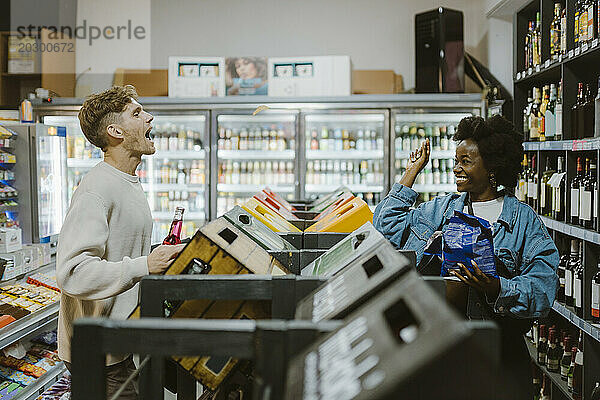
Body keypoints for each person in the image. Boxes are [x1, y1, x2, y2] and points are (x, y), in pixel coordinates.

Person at [373, 115, 559, 397]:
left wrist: (498, 287)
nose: (456, 169)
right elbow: (385, 226)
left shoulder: (523, 221)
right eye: (455, 160)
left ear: (492, 167)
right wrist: (412, 171)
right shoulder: (444, 209)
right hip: (446, 348)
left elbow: (545, 286)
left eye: (466, 162)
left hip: (500, 356)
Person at [56, 85, 185, 399]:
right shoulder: (96, 189)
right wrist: (145, 264)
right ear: (115, 131)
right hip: (100, 352)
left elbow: (121, 251)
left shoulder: (127, 181)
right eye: (137, 113)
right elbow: (72, 272)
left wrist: (158, 256)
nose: (149, 118)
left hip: (119, 342)